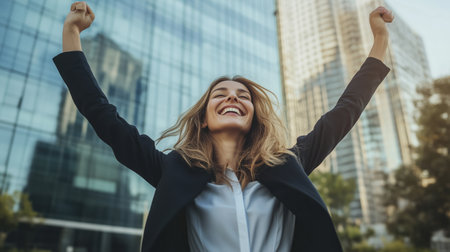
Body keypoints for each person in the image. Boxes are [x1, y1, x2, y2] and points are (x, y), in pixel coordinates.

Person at [53, 2, 393, 251]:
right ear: (204, 116)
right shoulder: (172, 170)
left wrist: (379, 39)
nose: (232, 98)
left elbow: (346, 111)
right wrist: (71, 33)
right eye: (221, 94)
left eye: (242, 96)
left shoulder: (290, 163)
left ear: (253, 114)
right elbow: (103, 116)